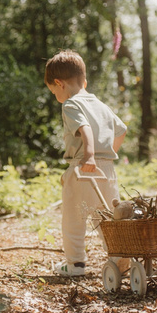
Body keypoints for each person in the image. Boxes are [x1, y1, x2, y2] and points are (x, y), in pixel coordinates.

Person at [44, 50, 127, 276]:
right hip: (106, 170)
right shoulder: (100, 105)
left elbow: (85, 129)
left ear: (59, 84)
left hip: (82, 168)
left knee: (73, 220)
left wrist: (90, 156)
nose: (56, 96)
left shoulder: (71, 104)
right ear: (84, 80)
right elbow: (122, 130)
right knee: (107, 219)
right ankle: (119, 257)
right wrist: (105, 155)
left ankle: (76, 265)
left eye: (53, 92)